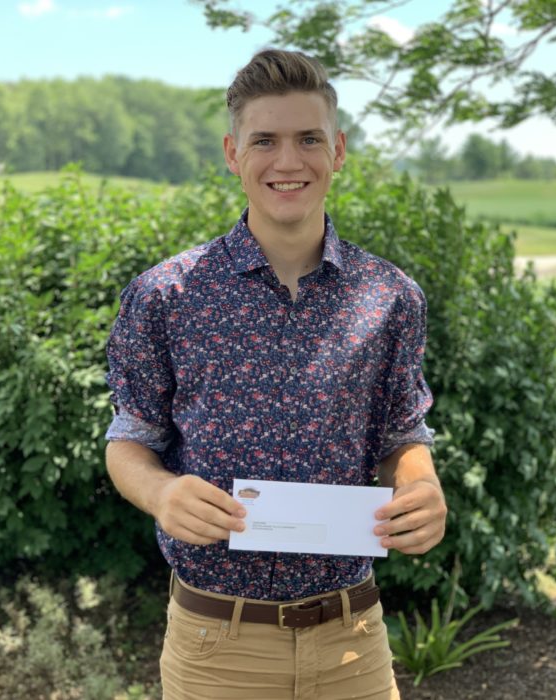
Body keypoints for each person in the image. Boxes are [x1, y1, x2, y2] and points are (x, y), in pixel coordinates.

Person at [105, 48, 447, 700]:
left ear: (338, 151)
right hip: (216, 648)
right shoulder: (166, 296)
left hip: (353, 643)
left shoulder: (391, 297)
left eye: (308, 139)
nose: (288, 161)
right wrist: (161, 494)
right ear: (232, 153)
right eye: (265, 141)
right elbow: (129, 439)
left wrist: (420, 485)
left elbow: (402, 434)